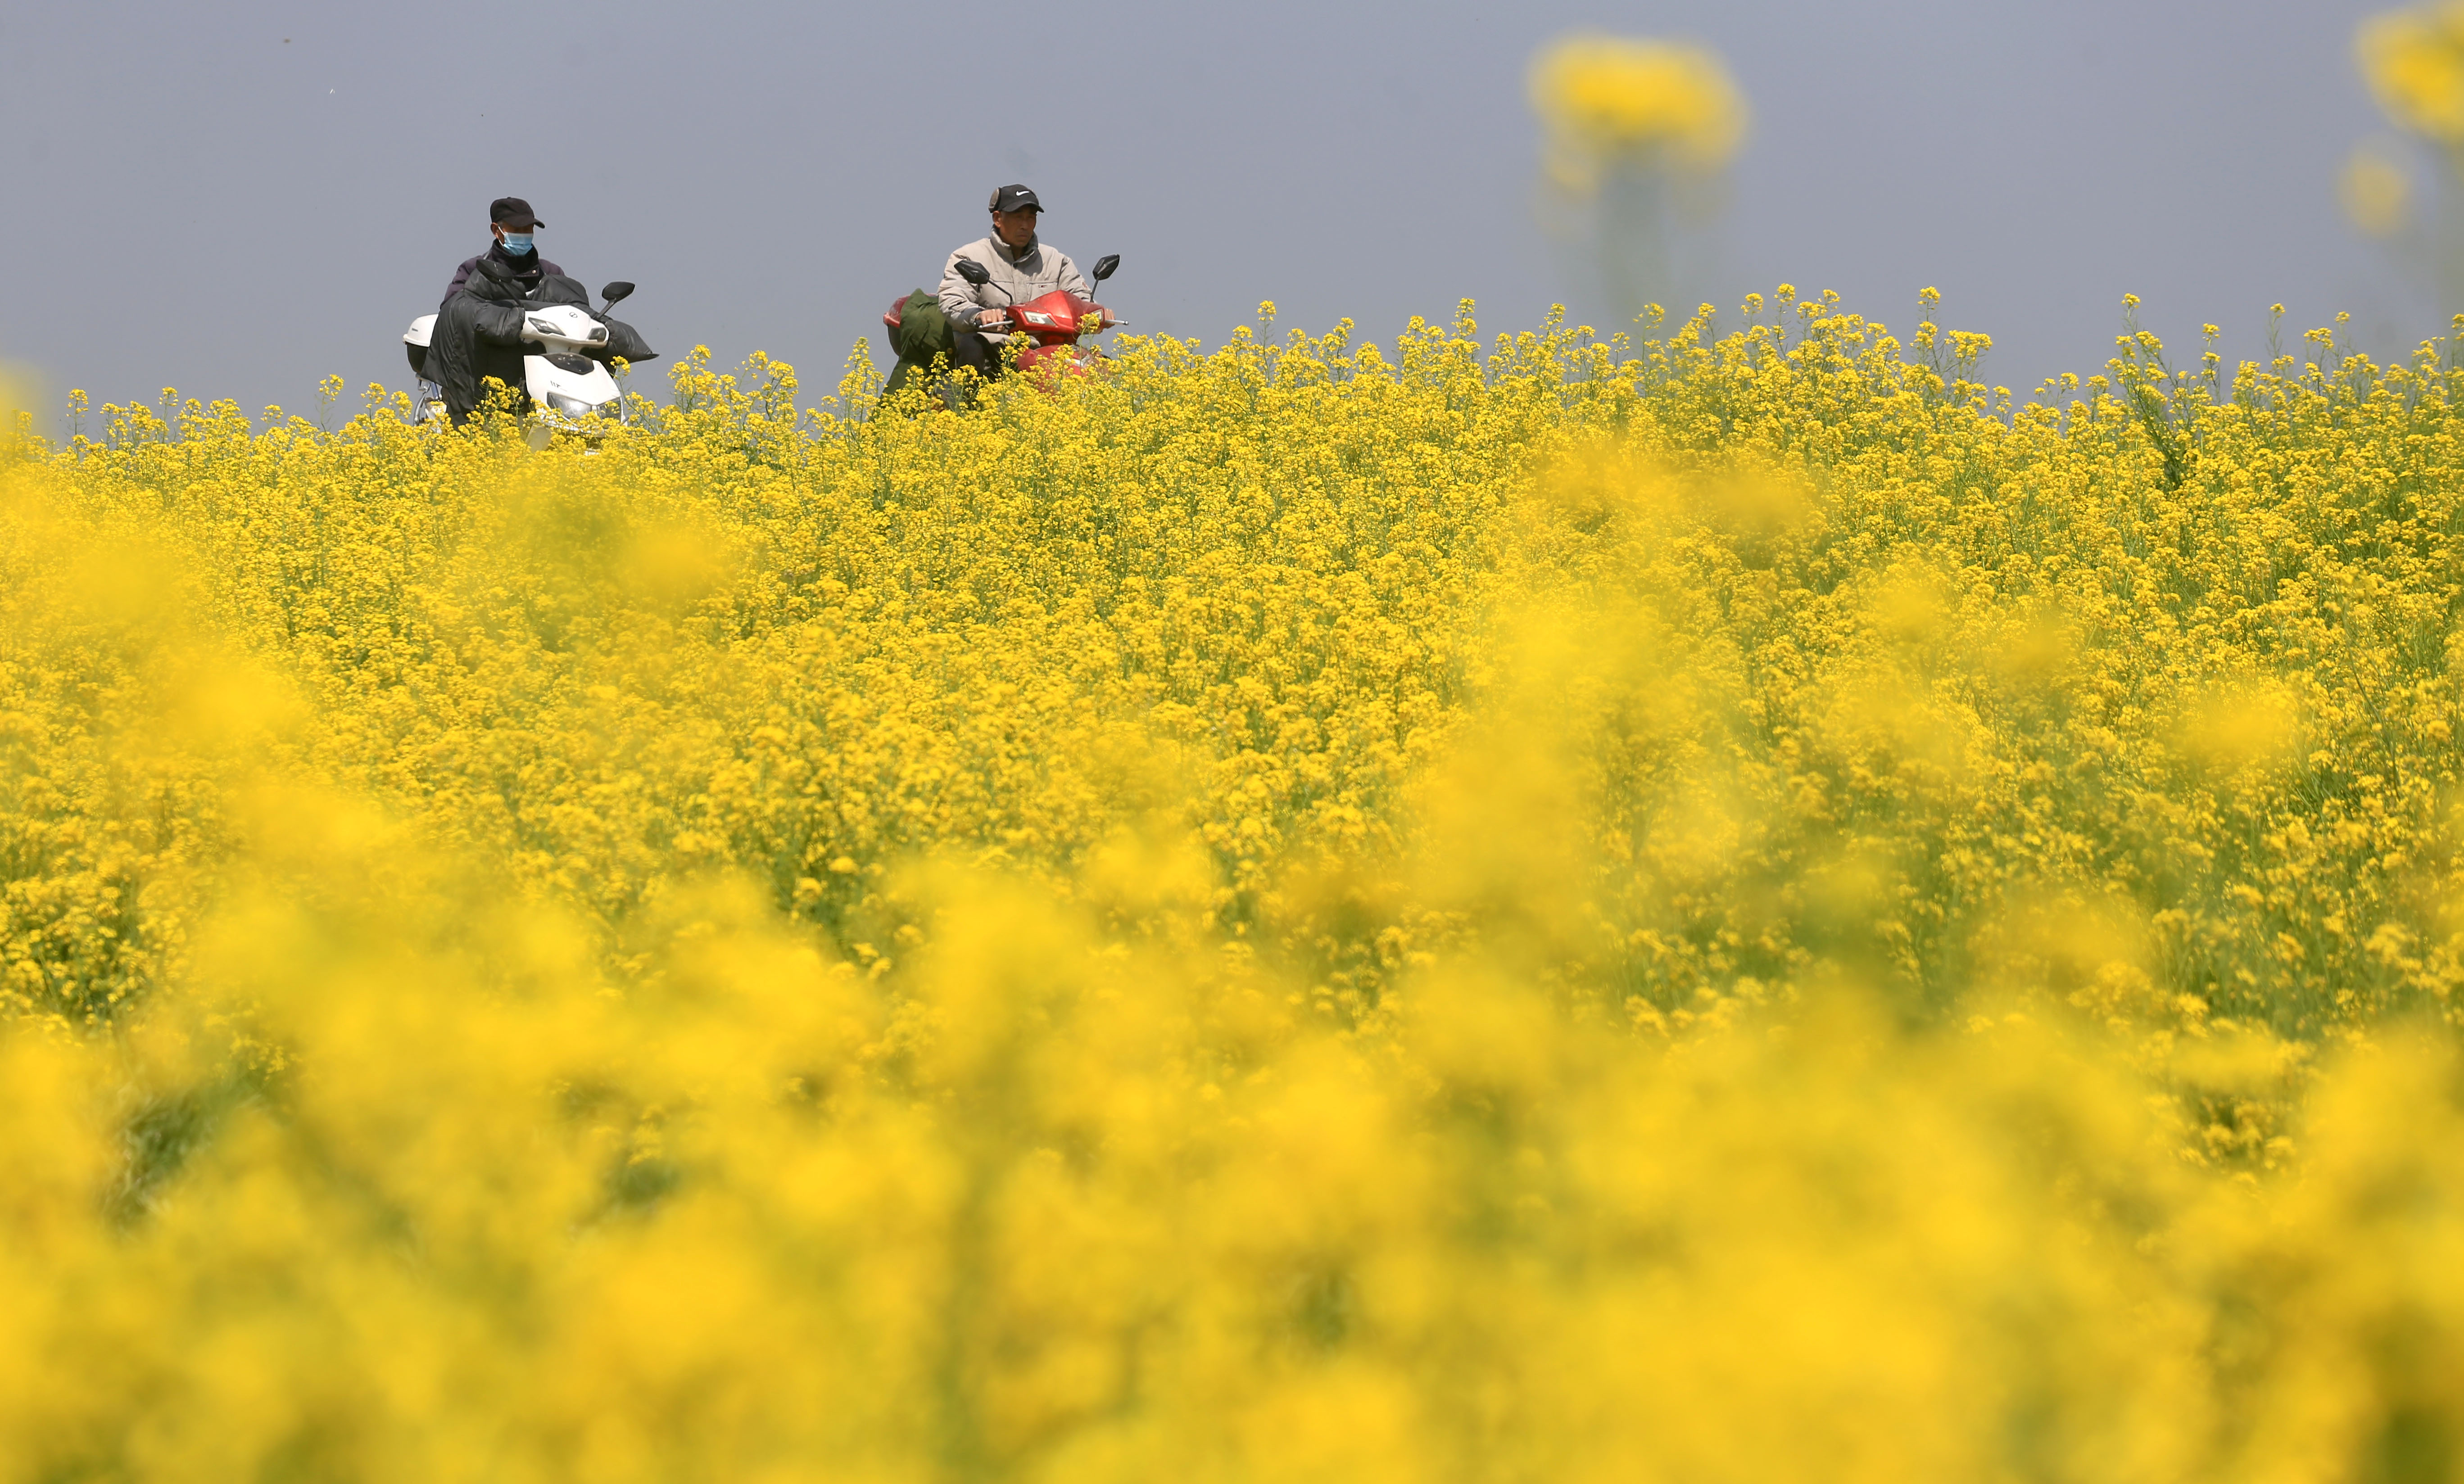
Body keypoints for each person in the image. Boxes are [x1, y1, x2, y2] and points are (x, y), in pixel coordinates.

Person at [937, 185, 1090, 380]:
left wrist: (1094, 313)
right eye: (1018, 217)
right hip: (996, 347)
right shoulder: (968, 257)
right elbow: (952, 300)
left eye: (1031, 218)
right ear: (998, 219)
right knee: (971, 346)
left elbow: (1080, 298)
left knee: (1100, 366)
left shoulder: (1056, 261)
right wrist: (978, 315)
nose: (1025, 225)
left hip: (1047, 350)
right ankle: (971, 399)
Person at [444, 197, 564, 302]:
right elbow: (451, 310)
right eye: (517, 230)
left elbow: (571, 310)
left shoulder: (551, 273)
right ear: (496, 230)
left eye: (528, 229)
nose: (523, 235)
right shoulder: (473, 270)